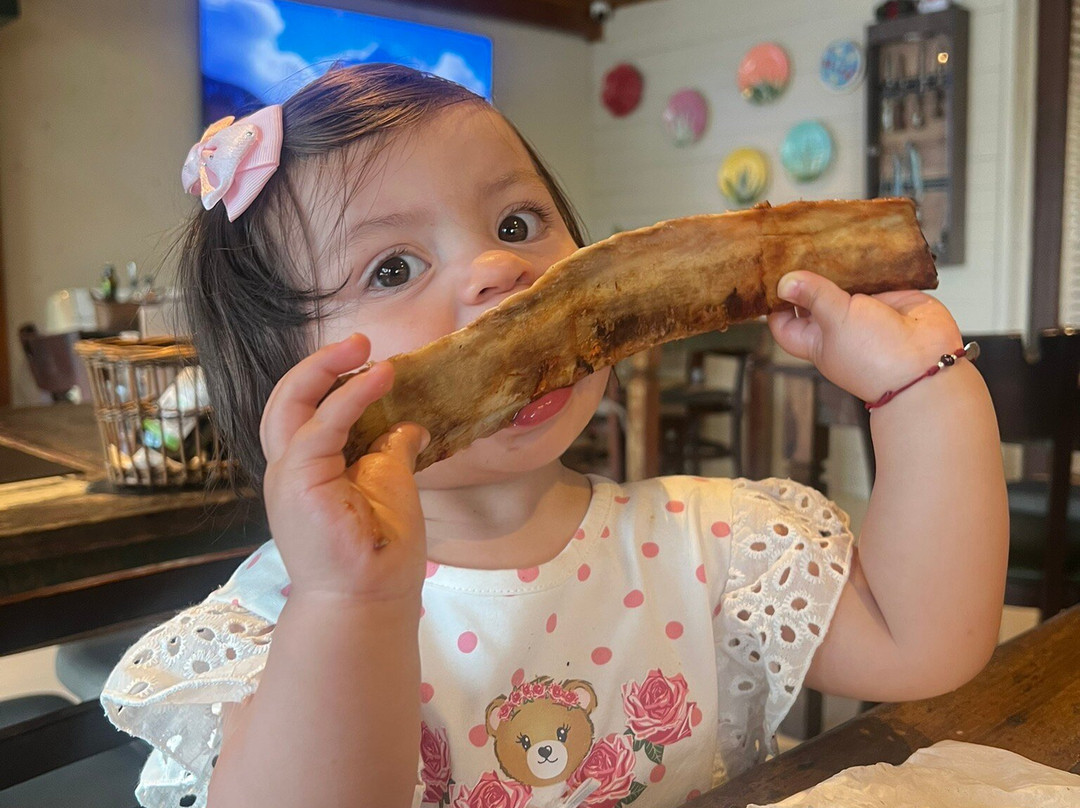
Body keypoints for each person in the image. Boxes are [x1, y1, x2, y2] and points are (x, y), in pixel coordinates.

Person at [102, 64, 1008, 808]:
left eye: (517, 223)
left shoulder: (705, 546)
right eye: (394, 267)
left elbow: (923, 641)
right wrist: (350, 604)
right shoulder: (284, 626)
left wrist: (921, 388)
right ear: (290, 385)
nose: (499, 269)